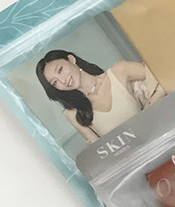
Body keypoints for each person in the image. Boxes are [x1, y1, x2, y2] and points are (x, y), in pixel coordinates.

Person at [36, 50, 165, 143]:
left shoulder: (119, 71)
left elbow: (165, 79)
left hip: (163, 134)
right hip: (136, 159)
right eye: (55, 82)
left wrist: (147, 111)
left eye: (60, 70)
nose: (63, 80)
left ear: (71, 60)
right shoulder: (73, 114)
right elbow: (102, 153)